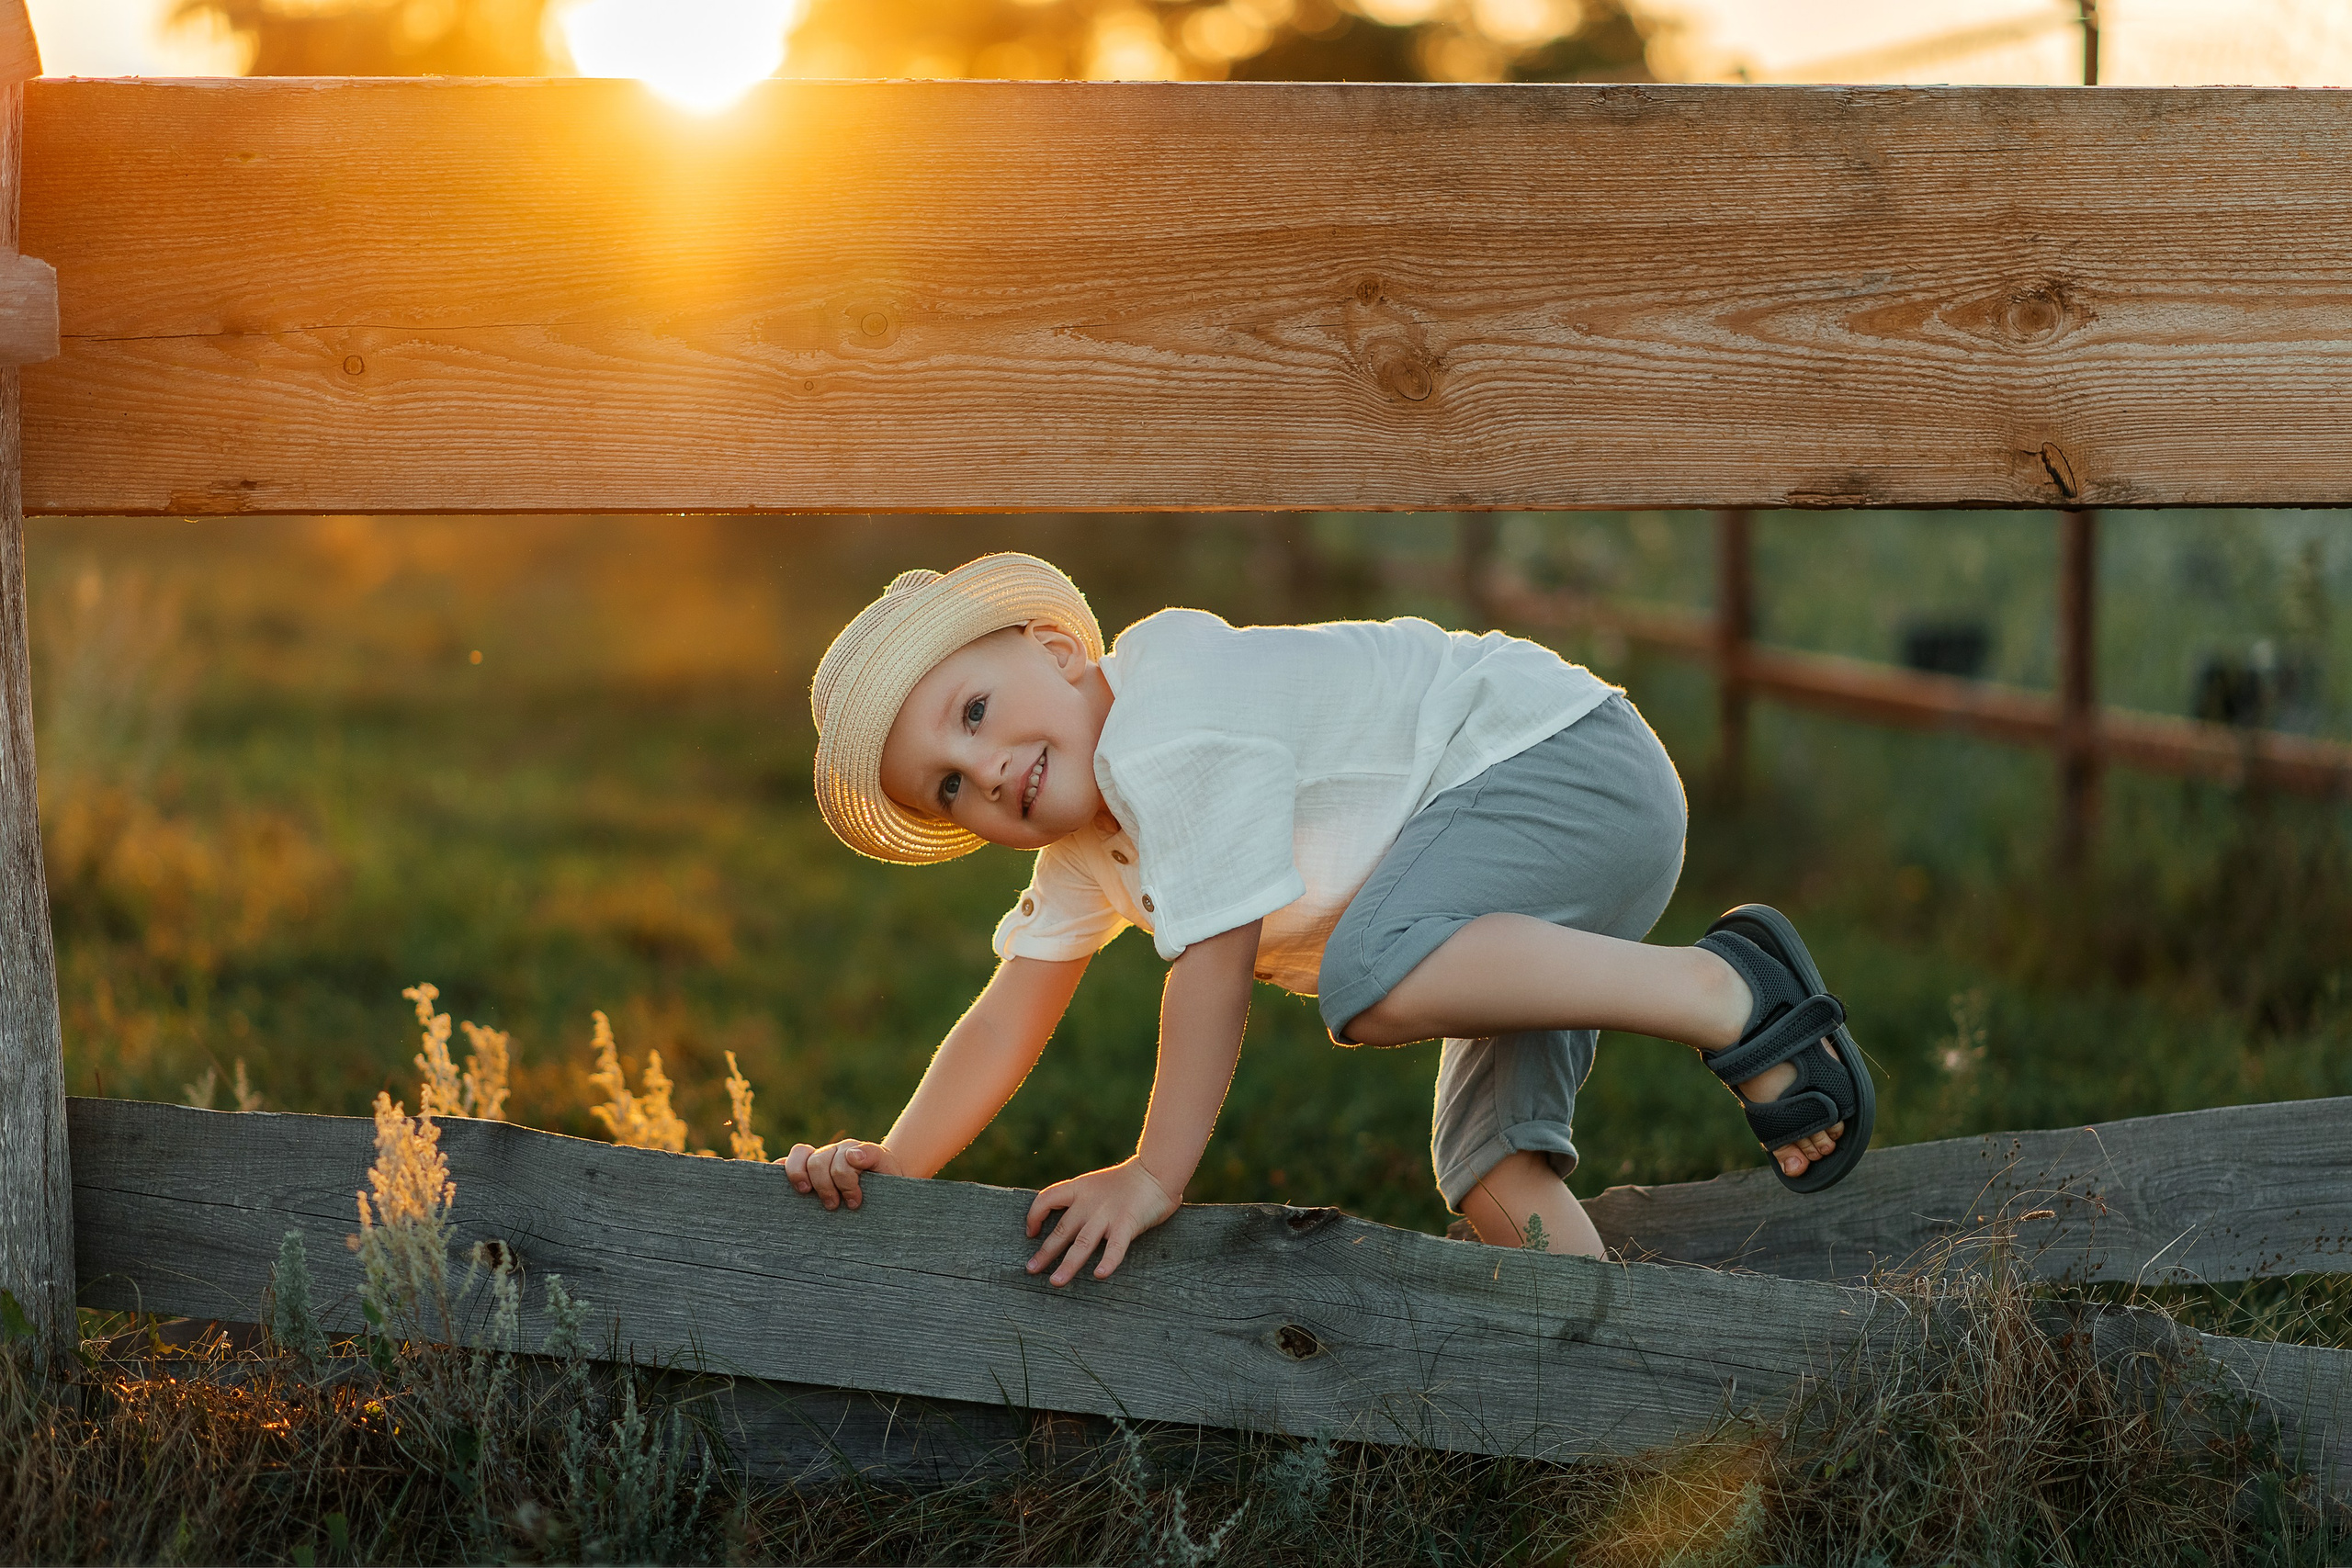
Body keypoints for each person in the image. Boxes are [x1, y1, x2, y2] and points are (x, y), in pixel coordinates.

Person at [784, 552, 1873, 1286]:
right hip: (1504, 866)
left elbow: (1209, 972)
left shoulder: (1168, 727)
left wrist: (1154, 1174)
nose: (985, 770)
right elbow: (1006, 1016)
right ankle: (1604, 1366)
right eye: (947, 788)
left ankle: (1723, 990)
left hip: (1556, 763)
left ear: (1059, 655)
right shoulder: (1085, 836)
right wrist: (895, 1165)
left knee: (1371, 979)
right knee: (1491, 1173)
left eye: (972, 714)